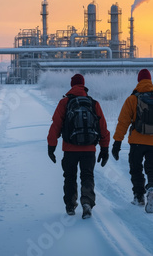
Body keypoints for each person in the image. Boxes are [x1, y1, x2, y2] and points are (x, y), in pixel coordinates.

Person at [112, 69, 153, 213]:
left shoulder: (132, 99)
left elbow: (122, 122)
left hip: (136, 142)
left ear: (138, 81)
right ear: (150, 81)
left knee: (136, 169)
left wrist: (117, 142)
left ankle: (139, 196)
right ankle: (152, 187)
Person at [47, 74, 110, 219]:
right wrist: (104, 148)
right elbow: (103, 128)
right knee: (87, 176)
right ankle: (87, 203)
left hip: (70, 149)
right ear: (83, 85)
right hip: (89, 149)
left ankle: (70, 205)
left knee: (69, 177)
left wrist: (51, 146)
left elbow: (55, 126)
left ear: (71, 85)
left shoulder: (64, 102)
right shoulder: (93, 103)